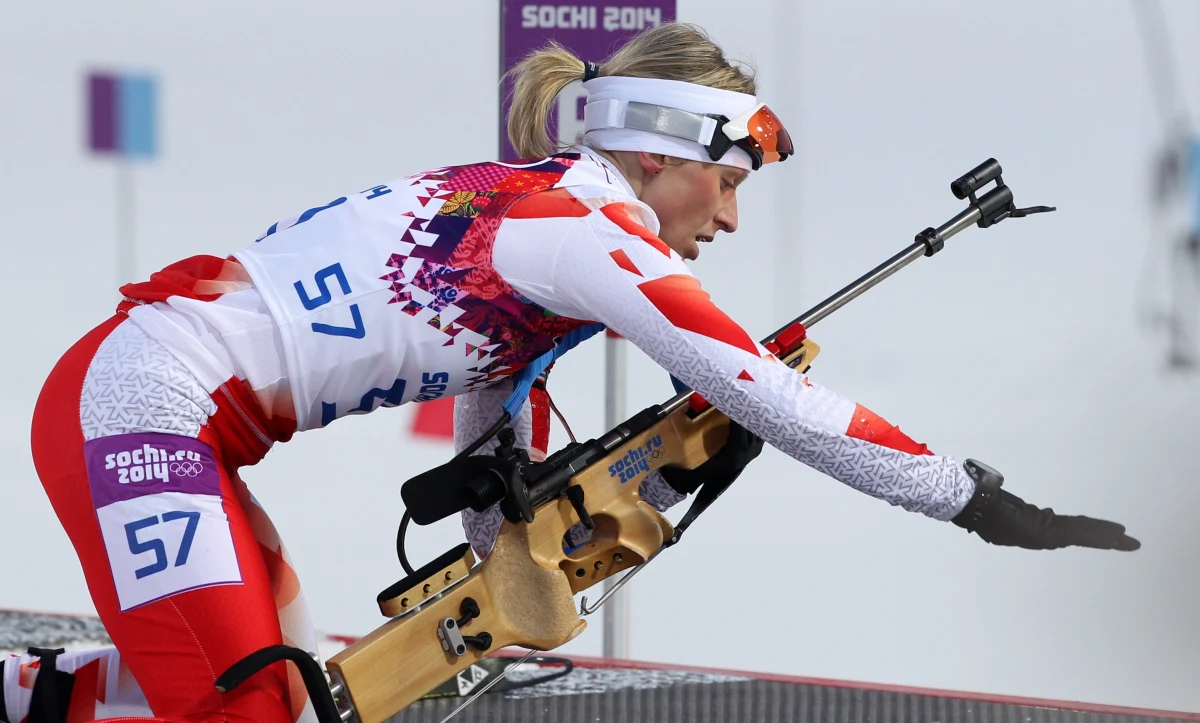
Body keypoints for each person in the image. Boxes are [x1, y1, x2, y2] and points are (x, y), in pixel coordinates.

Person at [25, 21, 1138, 723]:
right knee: (252, 717)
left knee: (309, 695)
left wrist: (499, 550)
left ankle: (33, 692)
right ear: (662, 153)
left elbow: (482, 418)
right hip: (144, 410)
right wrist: (978, 501)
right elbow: (767, 393)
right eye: (731, 180)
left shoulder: (543, 214)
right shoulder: (583, 237)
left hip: (163, 417)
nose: (736, 217)